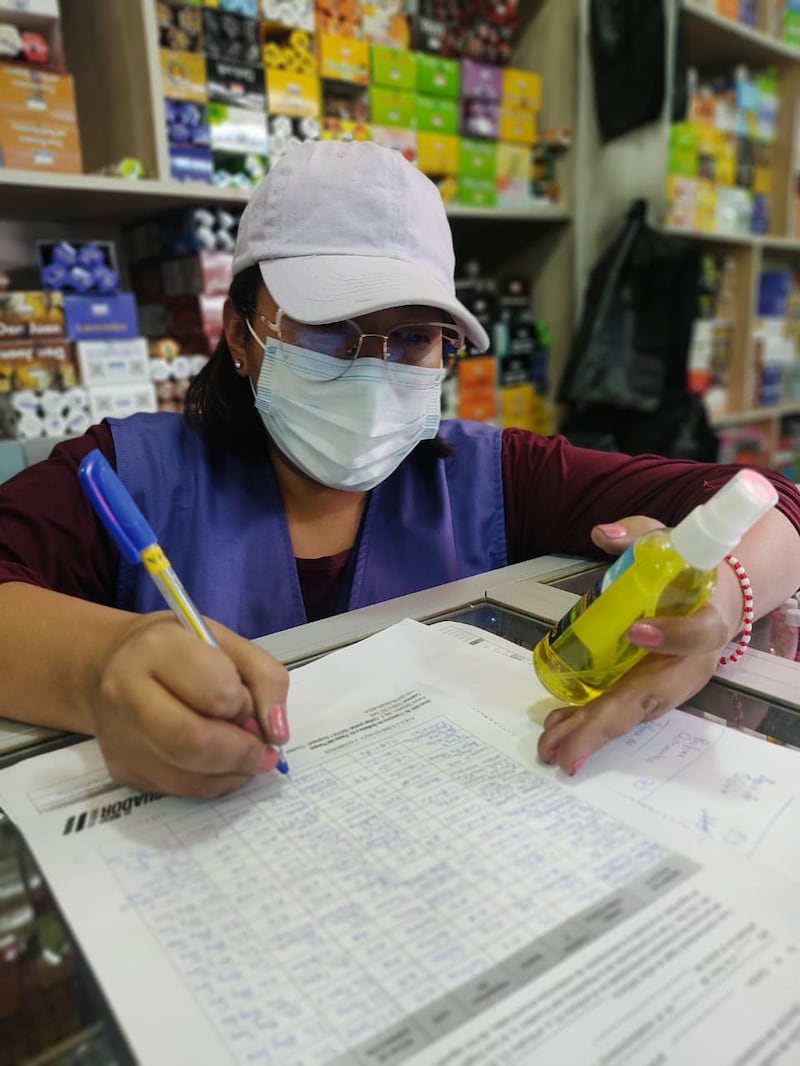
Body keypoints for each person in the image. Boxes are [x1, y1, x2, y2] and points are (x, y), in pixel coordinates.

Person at [1, 139, 799, 799]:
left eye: (415, 337)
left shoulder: (492, 472)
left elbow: (772, 506)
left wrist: (721, 598)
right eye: (329, 328)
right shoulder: (127, 471)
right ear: (240, 334)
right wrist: (99, 665)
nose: (375, 370)